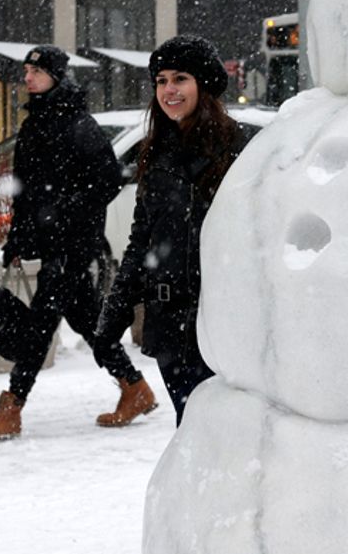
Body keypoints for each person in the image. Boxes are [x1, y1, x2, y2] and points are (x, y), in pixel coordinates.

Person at [0, 45, 155, 440]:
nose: (28, 77)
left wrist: (67, 210)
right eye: (27, 70)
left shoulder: (77, 123)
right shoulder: (37, 121)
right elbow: (26, 189)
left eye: (36, 70)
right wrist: (18, 236)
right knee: (87, 319)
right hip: (50, 241)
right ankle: (134, 387)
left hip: (73, 243)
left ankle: (12, 407)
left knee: (40, 324)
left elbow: (108, 179)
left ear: (56, 75)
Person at [96, 35, 253, 424]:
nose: (169, 90)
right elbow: (141, 240)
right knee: (191, 432)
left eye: (180, 78)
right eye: (161, 80)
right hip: (171, 326)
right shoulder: (155, 151)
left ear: (204, 85)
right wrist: (115, 312)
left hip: (223, 322)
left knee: (224, 436)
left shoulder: (240, 148)